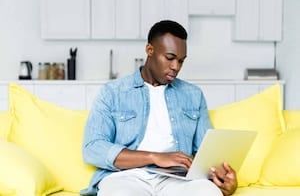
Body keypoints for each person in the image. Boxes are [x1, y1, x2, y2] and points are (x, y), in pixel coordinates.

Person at [81, 20, 237, 196]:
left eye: (181, 61)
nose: (175, 67)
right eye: (170, 58)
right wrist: (155, 157)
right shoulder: (112, 93)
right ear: (150, 50)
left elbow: (207, 152)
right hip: (125, 177)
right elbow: (93, 148)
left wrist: (223, 179)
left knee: (208, 192)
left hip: (178, 179)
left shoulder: (193, 95)